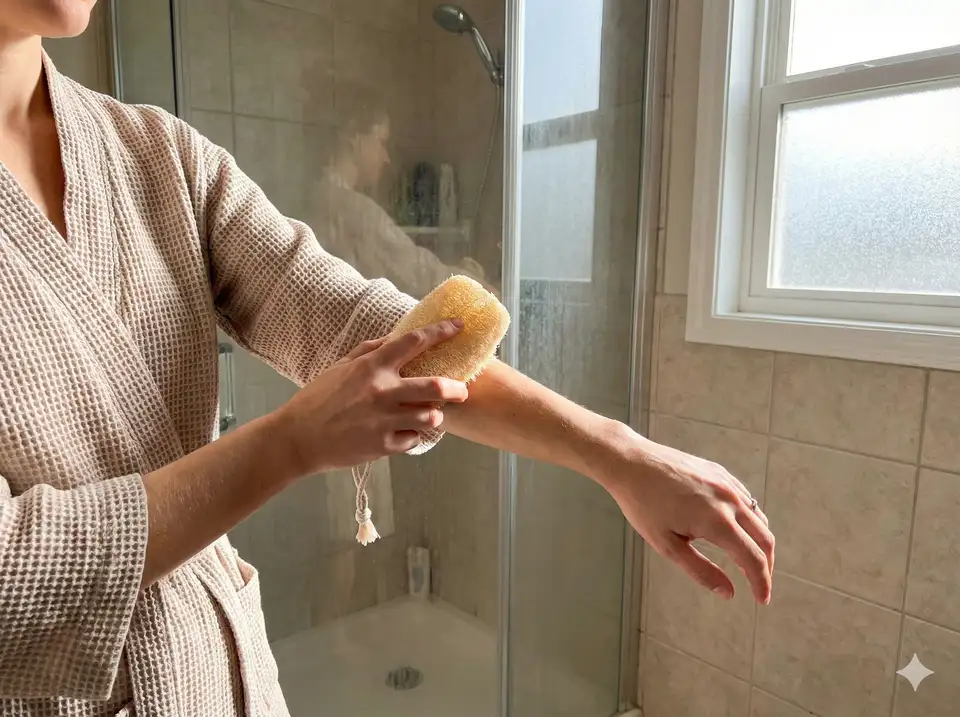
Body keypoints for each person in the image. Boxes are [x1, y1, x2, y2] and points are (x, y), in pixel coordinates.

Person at [0, 3, 774, 716]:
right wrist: (289, 442)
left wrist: (617, 452)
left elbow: (382, 330)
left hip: (222, 676)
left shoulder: (158, 155)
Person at [306, 97, 492, 300]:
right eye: (382, 142)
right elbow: (418, 272)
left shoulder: (315, 198)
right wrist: (480, 287)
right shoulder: (358, 213)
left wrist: (456, 271)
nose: (386, 157)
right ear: (354, 138)